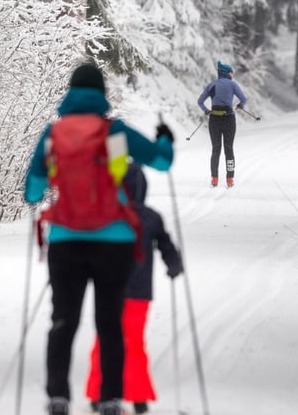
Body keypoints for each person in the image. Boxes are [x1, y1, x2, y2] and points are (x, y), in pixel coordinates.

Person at [24, 62, 175, 415]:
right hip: (114, 241)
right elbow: (161, 162)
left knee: (63, 319)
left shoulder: (53, 134)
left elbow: (32, 192)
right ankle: (110, 398)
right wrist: (165, 137)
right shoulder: (115, 132)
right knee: (109, 322)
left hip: (65, 240)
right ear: (101, 94)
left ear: (70, 94)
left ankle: (58, 396)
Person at [84, 163, 183, 415]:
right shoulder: (150, 217)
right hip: (139, 292)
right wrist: (174, 265)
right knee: (135, 343)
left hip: (108, 289)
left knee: (103, 340)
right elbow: (167, 245)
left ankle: (97, 393)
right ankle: (138, 398)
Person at [196, 60, 247, 188]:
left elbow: (200, 101)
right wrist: (240, 106)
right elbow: (243, 99)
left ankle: (214, 179)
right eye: (231, 73)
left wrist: (207, 111)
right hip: (229, 119)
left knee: (216, 149)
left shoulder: (212, 85)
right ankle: (230, 179)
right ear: (227, 73)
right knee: (229, 149)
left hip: (214, 120)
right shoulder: (232, 85)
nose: (232, 75)